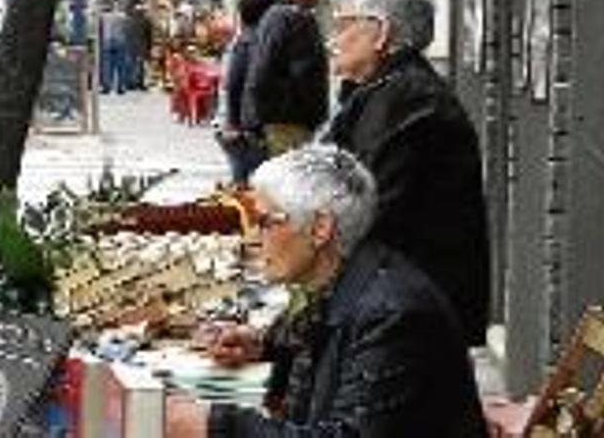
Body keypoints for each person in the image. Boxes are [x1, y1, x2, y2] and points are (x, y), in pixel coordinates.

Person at [164, 144, 487, 437]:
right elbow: (325, 350)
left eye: (266, 222)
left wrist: (217, 425)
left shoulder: (391, 314)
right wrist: (263, 345)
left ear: (320, 229)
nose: (253, 239)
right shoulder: (347, 281)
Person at [322, 0, 490, 346]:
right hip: (396, 301)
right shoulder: (385, 90)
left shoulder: (406, 98)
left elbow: (360, 213)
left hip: (408, 315)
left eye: (344, 23)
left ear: (380, 33)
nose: (331, 39)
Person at [242, 0, 329, 157]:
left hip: (274, 119)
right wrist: (318, 116)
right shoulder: (298, 18)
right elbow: (305, 76)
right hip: (291, 122)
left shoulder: (272, 16)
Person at [214, 0, 273, 185]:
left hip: (234, 127)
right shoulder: (251, 41)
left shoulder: (246, 38)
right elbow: (234, 85)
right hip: (241, 132)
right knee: (249, 187)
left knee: (245, 183)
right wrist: (234, 124)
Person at [100, 3, 130, 94]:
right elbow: (126, 29)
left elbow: (100, 30)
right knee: (121, 65)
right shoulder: (123, 17)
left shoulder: (103, 18)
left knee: (107, 65)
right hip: (120, 41)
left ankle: (107, 86)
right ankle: (121, 86)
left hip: (107, 42)